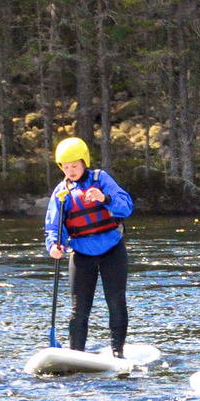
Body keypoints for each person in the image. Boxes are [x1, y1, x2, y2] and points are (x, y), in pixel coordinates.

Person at [44, 137, 134, 356]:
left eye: (75, 166)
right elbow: (54, 226)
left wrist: (105, 198)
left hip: (112, 249)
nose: (71, 171)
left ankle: (117, 351)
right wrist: (54, 245)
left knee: (116, 301)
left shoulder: (101, 179)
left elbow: (126, 207)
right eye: (66, 167)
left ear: (84, 162)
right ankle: (76, 354)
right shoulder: (61, 192)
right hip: (82, 254)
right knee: (79, 308)